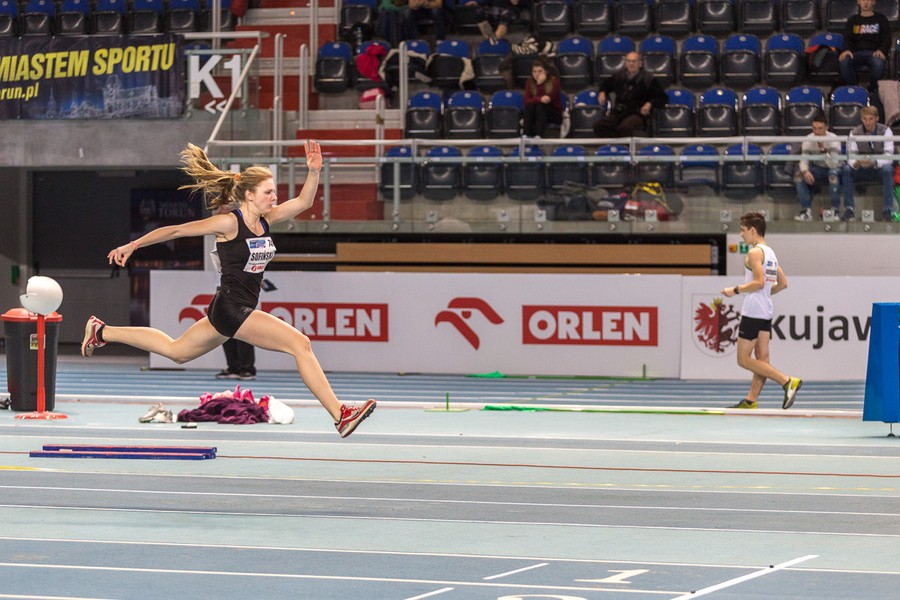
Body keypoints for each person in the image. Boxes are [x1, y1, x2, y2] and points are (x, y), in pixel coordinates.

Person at [80, 141, 376, 438]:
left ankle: (101, 332)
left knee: (176, 351)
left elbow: (303, 203)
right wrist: (133, 245)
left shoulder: (266, 220)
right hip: (232, 307)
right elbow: (176, 230)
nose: (274, 197)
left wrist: (314, 172)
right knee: (300, 344)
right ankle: (340, 414)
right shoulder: (228, 223)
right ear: (249, 195)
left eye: (274, 191)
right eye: (268, 192)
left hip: (231, 307)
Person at [721, 212, 802, 411]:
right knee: (762, 359)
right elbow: (782, 283)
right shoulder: (771, 253)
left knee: (743, 360)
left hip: (753, 311)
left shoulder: (755, 253)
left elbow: (758, 282)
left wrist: (735, 290)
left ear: (753, 230)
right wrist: (765, 292)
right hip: (765, 310)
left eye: (742, 230)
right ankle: (751, 400)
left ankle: (786, 381)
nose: (741, 235)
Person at [592, 51, 668, 138]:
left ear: (640, 63)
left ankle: (625, 149)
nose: (631, 64)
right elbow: (606, 84)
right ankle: (615, 146)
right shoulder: (619, 76)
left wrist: (649, 104)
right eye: (629, 61)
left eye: (634, 61)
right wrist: (602, 92)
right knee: (599, 126)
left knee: (625, 128)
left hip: (637, 113)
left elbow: (662, 97)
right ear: (625, 63)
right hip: (619, 112)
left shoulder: (648, 79)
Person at [841, 105, 895, 222]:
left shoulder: (886, 131)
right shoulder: (854, 132)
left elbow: (889, 156)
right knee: (846, 169)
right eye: (865, 119)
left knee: (888, 169)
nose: (867, 122)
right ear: (861, 119)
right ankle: (849, 210)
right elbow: (851, 155)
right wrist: (857, 163)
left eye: (870, 119)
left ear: (877, 118)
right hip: (861, 168)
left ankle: (887, 211)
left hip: (878, 168)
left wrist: (874, 162)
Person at [794, 114, 843, 221]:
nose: (817, 132)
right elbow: (804, 159)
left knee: (833, 174)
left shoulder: (834, 139)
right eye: (814, 128)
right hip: (818, 169)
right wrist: (805, 171)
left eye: (820, 128)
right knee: (799, 175)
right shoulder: (809, 139)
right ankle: (806, 211)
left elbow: (833, 164)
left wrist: (823, 149)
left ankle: (835, 210)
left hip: (835, 169)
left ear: (826, 128)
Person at [838, 0, 891, 94]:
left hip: (874, 53)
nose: (865, 2)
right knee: (844, 61)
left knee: (879, 63)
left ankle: (872, 89)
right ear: (859, 2)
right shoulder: (852, 20)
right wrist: (846, 50)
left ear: (873, 2)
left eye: (868, 0)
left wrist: (882, 50)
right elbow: (847, 38)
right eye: (863, 0)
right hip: (856, 54)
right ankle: (855, 88)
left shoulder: (881, 19)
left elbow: (887, 38)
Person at [522, 58, 562, 138]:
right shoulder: (529, 82)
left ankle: (539, 135)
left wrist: (539, 84)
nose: (537, 74)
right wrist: (539, 99)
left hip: (553, 113)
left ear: (546, 71)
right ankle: (525, 135)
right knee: (529, 106)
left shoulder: (554, 81)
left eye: (540, 71)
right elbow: (526, 100)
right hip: (535, 112)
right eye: (534, 72)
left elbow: (548, 99)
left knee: (540, 106)